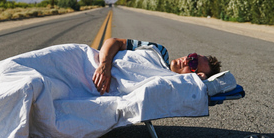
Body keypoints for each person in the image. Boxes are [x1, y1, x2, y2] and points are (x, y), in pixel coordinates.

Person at [93, 38, 221, 95]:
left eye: (193, 64)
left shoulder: (166, 83)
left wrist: (200, 80)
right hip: (94, 62)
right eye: (191, 56)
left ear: (196, 75)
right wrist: (104, 65)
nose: (187, 60)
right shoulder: (159, 50)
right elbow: (114, 42)